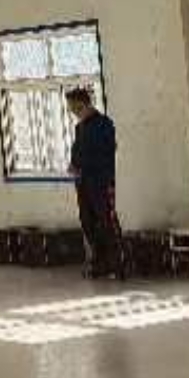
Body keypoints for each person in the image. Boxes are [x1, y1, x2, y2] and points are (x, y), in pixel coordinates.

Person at [67, 88, 122, 279]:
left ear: (83, 103)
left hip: (100, 182)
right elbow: (78, 152)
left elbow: (106, 153)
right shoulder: (80, 128)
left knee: (106, 222)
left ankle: (116, 264)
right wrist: (74, 165)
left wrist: (84, 166)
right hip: (83, 184)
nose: (72, 111)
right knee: (88, 222)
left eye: (74, 107)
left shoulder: (104, 124)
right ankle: (100, 263)